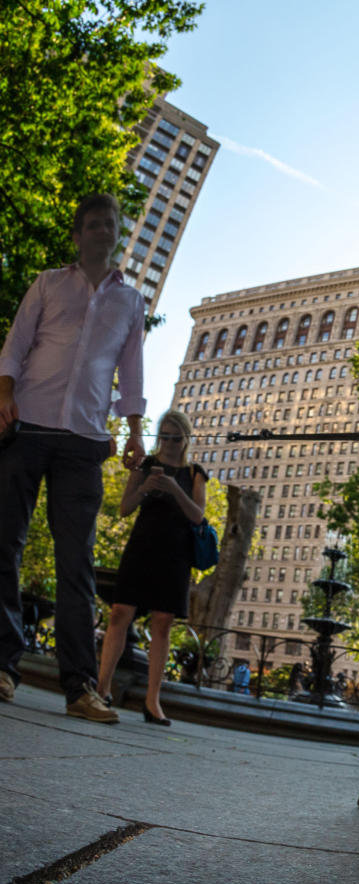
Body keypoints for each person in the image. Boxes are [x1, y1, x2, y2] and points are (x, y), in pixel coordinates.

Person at [0, 194, 145, 721]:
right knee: (4, 544)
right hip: (28, 425)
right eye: (94, 223)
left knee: (77, 565)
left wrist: (134, 433)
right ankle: (3, 666)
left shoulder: (130, 301)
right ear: (78, 234)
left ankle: (80, 686)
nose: (104, 229)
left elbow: (130, 372)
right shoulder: (47, 283)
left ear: (116, 233)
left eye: (111, 223)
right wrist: (4, 397)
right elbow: (16, 344)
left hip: (85, 440)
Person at [96, 410, 208, 724]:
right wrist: (146, 487)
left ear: (186, 438)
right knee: (119, 613)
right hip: (141, 547)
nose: (170, 443)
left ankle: (152, 700)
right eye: (164, 436)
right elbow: (124, 508)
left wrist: (173, 488)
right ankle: (102, 689)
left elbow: (198, 516)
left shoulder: (195, 472)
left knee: (162, 623)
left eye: (176, 437)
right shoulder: (146, 465)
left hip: (175, 555)